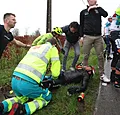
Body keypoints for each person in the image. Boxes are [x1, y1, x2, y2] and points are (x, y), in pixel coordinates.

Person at [0, 37, 61, 115]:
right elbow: (55, 72)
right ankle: (23, 110)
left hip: (15, 80)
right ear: (54, 44)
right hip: (28, 83)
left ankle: (3, 106)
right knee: (46, 97)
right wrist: (55, 78)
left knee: (21, 97)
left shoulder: (34, 47)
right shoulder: (52, 48)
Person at [79, 0, 109, 82]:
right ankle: (84, 74)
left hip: (98, 37)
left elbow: (106, 14)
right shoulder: (83, 12)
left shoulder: (98, 10)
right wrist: (81, 37)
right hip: (87, 36)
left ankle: (102, 74)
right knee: (85, 56)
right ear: (87, 1)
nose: (91, 1)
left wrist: (97, 7)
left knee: (100, 56)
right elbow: (81, 24)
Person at [109, 7, 120, 85]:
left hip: (115, 33)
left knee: (116, 55)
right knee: (117, 54)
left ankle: (114, 77)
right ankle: (116, 79)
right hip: (115, 33)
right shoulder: (116, 14)